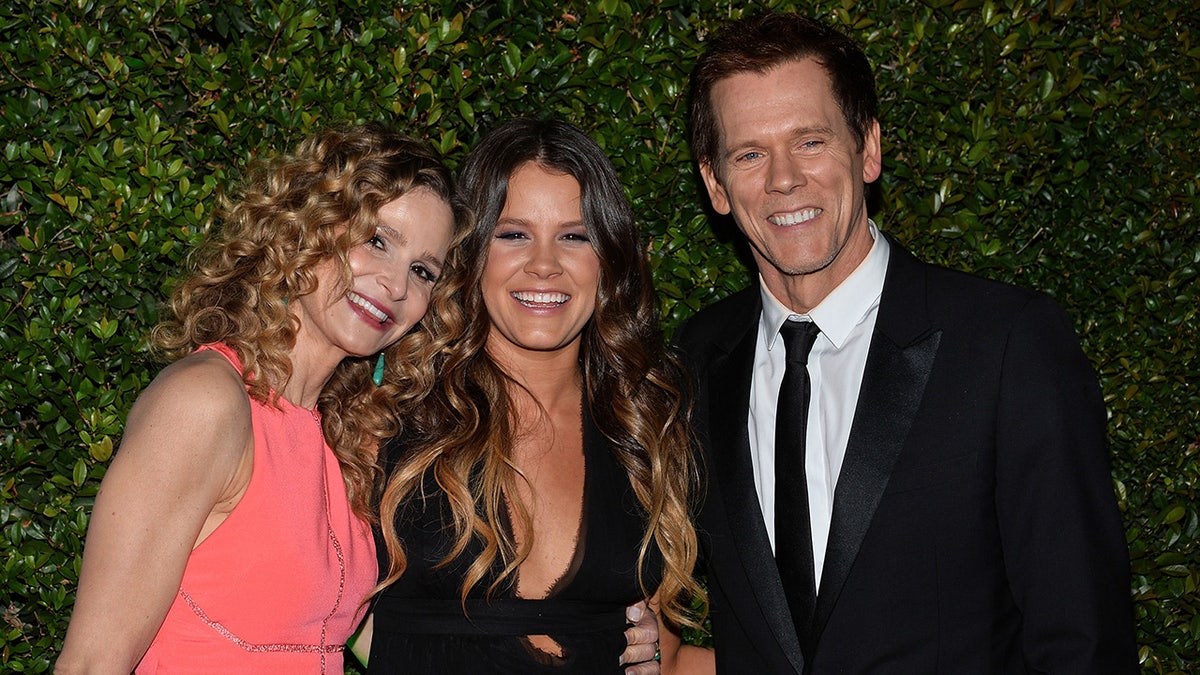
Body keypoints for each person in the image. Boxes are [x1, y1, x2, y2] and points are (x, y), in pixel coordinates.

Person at [664, 11, 1137, 673]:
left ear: (868, 149)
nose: (782, 178)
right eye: (749, 153)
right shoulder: (695, 357)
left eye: (809, 141)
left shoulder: (1005, 344)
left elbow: (1084, 640)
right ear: (716, 184)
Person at [55, 124, 466, 674]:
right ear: (308, 229)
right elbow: (91, 662)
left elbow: (351, 638)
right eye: (377, 240)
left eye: (422, 271)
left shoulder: (344, 441)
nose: (395, 285)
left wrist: (582, 633)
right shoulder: (204, 402)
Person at [365, 117, 705, 674]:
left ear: (609, 259)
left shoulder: (648, 431)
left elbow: (666, 657)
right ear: (471, 254)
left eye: (574, 236)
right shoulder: (391, 405)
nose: (544, 264)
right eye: (513, 234)